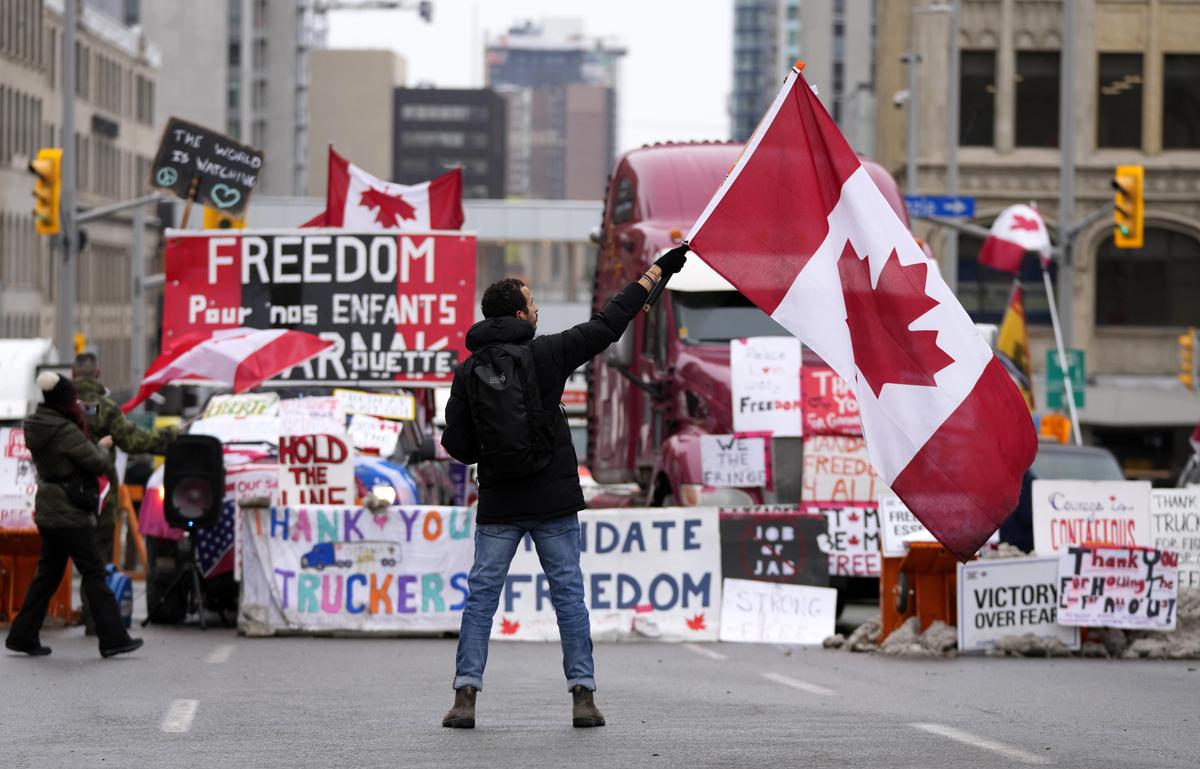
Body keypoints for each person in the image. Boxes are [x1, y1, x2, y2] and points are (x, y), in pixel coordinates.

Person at [439, 244, 690, 729]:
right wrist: (657, 272)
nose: (537, 312)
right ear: (519, 314)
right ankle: (583, 697)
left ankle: (465, 696)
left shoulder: (468, 370)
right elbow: (608, 324)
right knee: (568, 597)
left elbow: (460, 446)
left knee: (481, 599)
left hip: (498, 504)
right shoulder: (547, 353)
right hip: (552, 501)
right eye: (533, 305)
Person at [5, 372, 143, 658]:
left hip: (47, 507)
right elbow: (97, 463)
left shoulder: (35, 425)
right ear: (64, 401)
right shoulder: (65, 431)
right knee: (94, 570)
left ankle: (22, 635)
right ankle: (113, 637)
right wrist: (102, 447)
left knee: (48, 575)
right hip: (69, 511)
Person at [72, 352, 176, 633]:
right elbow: (133, 440)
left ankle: (30, 624)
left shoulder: (61, 407)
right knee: (99, 558)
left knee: (55, 562)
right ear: (98, 374)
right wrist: (170, 437)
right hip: (100, 494)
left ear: (72, 375)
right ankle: (95, 620)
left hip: (64, 494)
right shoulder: (106, 409)